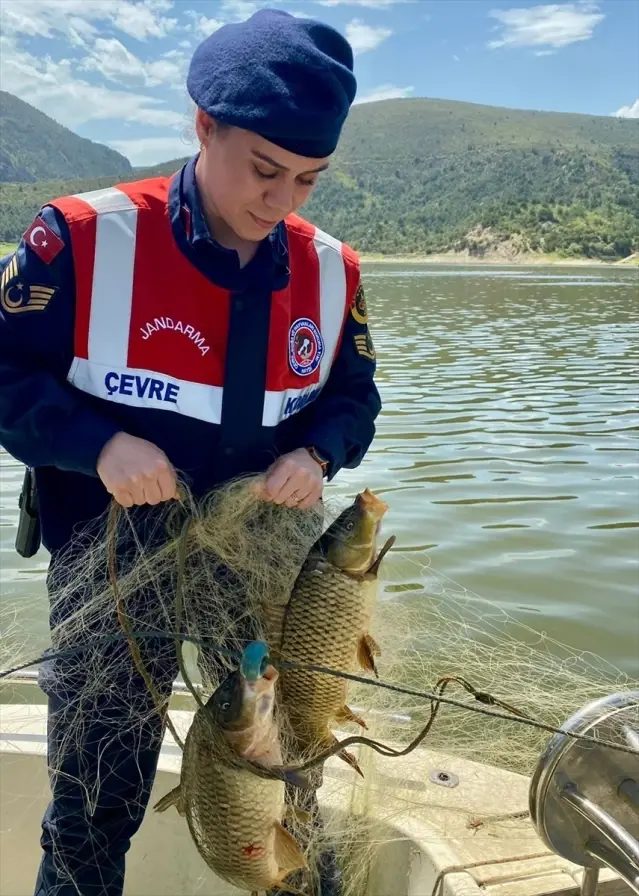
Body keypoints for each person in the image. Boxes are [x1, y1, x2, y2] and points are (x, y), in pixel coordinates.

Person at [0, 8, 381, 896]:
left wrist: (316, 455)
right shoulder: (80, 238)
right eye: (264, 170)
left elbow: (353, 398)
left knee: (287, 765)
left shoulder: (333, 270)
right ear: (203, 126)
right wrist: (97, 444)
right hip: (112, 561)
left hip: (260, 558)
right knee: (96, 792)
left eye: (308, 180)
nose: (281, 202)